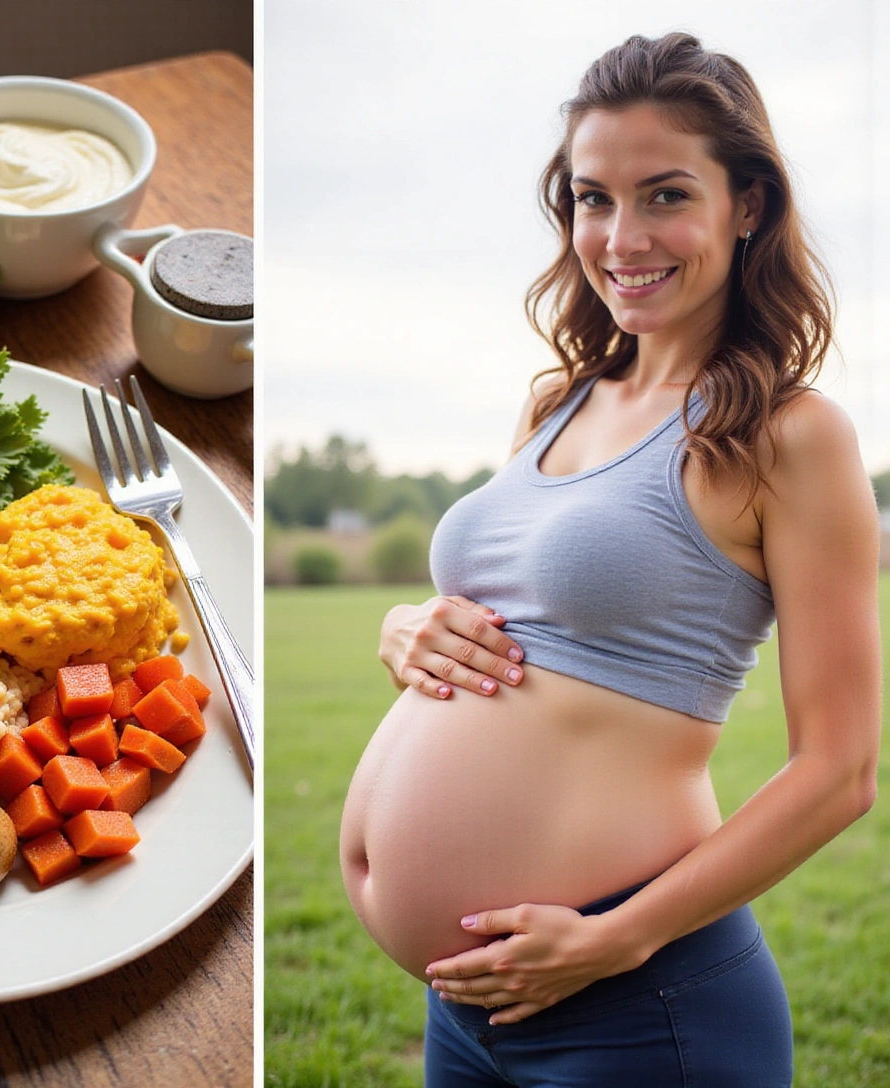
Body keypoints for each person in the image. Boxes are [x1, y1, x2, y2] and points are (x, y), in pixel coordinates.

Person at [340, 34, 879, 1085]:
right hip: (468, 1010)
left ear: (748, 205)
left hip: (637, 1005)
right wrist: (403, 625)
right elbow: (510, 610)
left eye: (665, 194)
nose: (621, 237)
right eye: (593, 198)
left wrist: (617, 938)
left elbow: (840, 771)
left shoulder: (789, 434)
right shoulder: (558, 400)